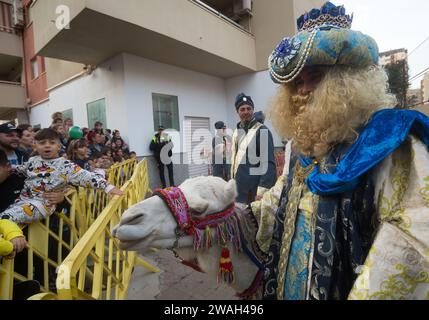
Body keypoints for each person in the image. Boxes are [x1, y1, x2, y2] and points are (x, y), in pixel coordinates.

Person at [238, 1, 429, 300]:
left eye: (314, 76)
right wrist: (227, 220)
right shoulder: (300, 146)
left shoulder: (391, 141)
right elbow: (280, 200)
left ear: (348, 79)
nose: (302, 90)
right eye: (297, 82)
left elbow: (414, 238)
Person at [0, 129, 124, 224]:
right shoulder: (33, 160)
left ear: (59, 146)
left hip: (43, 204)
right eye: (42, 143)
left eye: (52, 143)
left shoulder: (65, 165)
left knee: (5, 218)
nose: (47, 145)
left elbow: (87, 176)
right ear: (35, 146)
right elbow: (21, 169)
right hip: (23, 200)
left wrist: (109, 187)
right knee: (5, 216)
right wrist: (11, 169)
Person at [231, 93, 276, 204]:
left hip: (254, 192)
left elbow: (268, 164)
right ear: (237, 112)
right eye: (242, 109)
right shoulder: (236, 132)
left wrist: (262, 192)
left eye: (249, 108)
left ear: (253, 110)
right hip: (238, 190)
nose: (246, 112)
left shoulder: (262, 131)